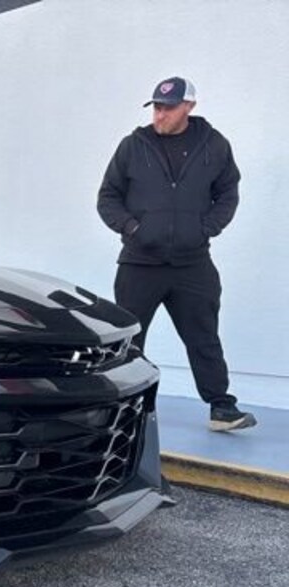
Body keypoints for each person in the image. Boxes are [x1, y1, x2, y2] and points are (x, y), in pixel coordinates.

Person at [97, 76, 256, 432]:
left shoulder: (214, 145)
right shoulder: (133, 145)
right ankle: (123, 411)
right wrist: (133, 228)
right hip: (140, 263)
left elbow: (228, 192)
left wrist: (206, 228)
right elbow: (107, 196)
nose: (160, 115)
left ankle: (221, 408)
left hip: (192, 263)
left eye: (168, 108)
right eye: (156, 106)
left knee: (204, 336)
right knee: (128, 341)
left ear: (189, 107)